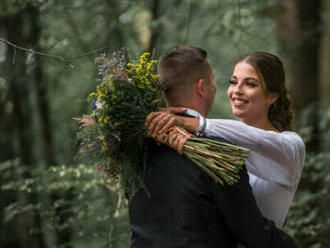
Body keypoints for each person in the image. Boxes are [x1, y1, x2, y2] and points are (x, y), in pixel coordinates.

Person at [129, 46, 298, 247]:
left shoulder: (138, 148)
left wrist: (197, 125)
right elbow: (250, 231)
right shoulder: (219, 154)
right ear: (202, 87)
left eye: (250, 84)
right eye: (230, 82)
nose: (233, 90)